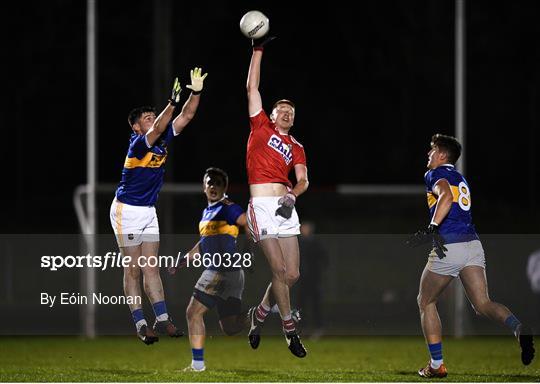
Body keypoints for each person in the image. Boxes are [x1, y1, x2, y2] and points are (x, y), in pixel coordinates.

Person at [407, 133, 535, 378]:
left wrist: (432, 228)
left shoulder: (434, 174)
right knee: (483, 304)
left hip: (450, 245)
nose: (428, 154)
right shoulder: (460, 177)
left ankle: (436, 365)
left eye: (432, 150)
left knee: (426, 301)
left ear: (442, 155)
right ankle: (518, 328)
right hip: (473, 245)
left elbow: (445, 197)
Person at [109, 68, 208, 345]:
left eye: (154, 115)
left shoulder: (163, 138)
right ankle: (140, 323)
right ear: (136, 127)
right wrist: (171, 103)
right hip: (126, 210)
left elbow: (186, 116)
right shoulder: (138, 145)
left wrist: (195, 92)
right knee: (133, 269)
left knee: (151, 267)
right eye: (147, 118)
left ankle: (162, 319)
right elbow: (158, 127)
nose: (153, 120)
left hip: (148, 211)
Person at [244, 36, 309, 358]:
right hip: (261, 207)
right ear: (270, 115)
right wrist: (258, 50)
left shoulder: (296, 146)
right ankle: (289, 329)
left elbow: (303, 180)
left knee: (292, 274)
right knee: (280, 273)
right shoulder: (260, 128)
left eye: (290, 112)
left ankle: (258, 315)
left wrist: (293, 197)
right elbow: (252, 88)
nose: (286, 114)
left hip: (285, 207)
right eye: (281, 110)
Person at [168, 167, 250, 372]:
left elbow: (247, 222)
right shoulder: (208, 212)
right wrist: (182, 261)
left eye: (218, 183)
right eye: (209, 182)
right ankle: (262, 312)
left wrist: (249, 248)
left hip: (220, 270)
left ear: (225, 188)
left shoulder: (227, 207)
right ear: (203, 187)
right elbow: (203, 243)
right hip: (233, 273)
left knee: (192, 313)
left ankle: (197, 365)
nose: (213, 186)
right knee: (230, 327)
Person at [297, 221, 328, 336]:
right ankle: (302, 328)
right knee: (301, 305)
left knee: (316, 304)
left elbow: (324, 259)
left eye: (305, 228)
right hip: (301, 279)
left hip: (314, 279)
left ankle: (318, 328)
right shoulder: (298, 243)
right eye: (302, 228)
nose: (302, 230)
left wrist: (318, 272)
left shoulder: (316, 243)